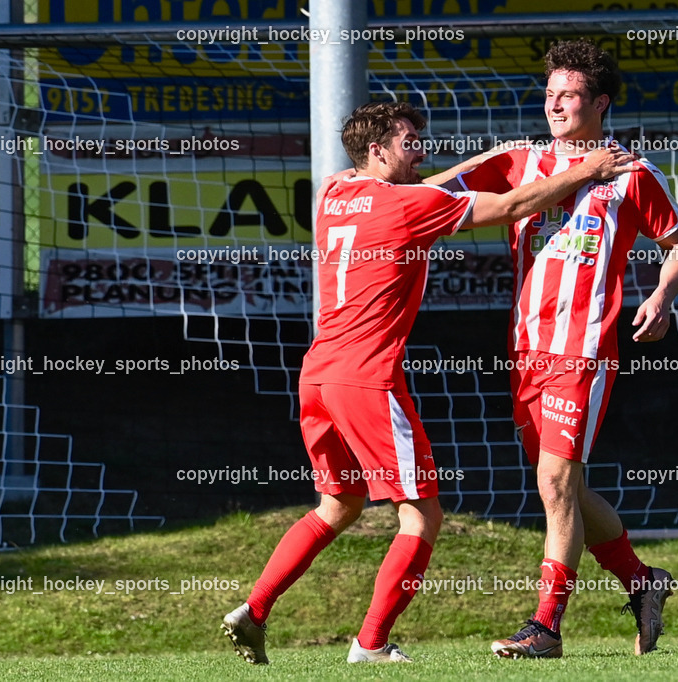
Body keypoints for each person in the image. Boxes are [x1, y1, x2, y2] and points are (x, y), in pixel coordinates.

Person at [222, 100, 637, 665]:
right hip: (368, 379)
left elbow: (417, 186)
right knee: (422, 515)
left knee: (336, 505)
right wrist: (586, 170)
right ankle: (370, 644)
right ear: (377, 148)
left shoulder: (334, 192)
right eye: (408, 139)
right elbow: (513, 203)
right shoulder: (409, 208)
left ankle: (254, 609)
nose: (420, 148)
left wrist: (491, 155)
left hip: (317, 374)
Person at [439, 39, 678, 658]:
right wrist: (374, 186)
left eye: (569, 94)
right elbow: (437, 192)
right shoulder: (520, 160)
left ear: (600, 103)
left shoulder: (633, 173)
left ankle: (546, 626)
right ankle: (643, 582)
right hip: (526, 351)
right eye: (549, 93)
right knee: (566, 488)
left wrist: (661, 296)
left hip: (583, 350)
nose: (554, 104)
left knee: (555, 480)